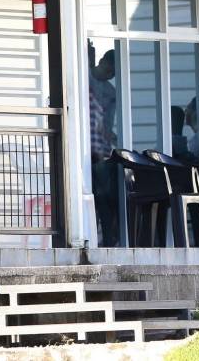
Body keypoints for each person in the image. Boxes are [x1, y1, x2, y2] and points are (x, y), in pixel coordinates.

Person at [88, 47, 119, 247]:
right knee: (96, 194)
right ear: (102, 61)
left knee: (104, 196)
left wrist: (111, 140)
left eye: (113, 73)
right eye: (109, 69)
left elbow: (108, 123)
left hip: (101, 149)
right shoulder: (85, 78)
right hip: (84, 147)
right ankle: (95, 236)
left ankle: (107, 238)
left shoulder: (111, 92)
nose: (110, 74)